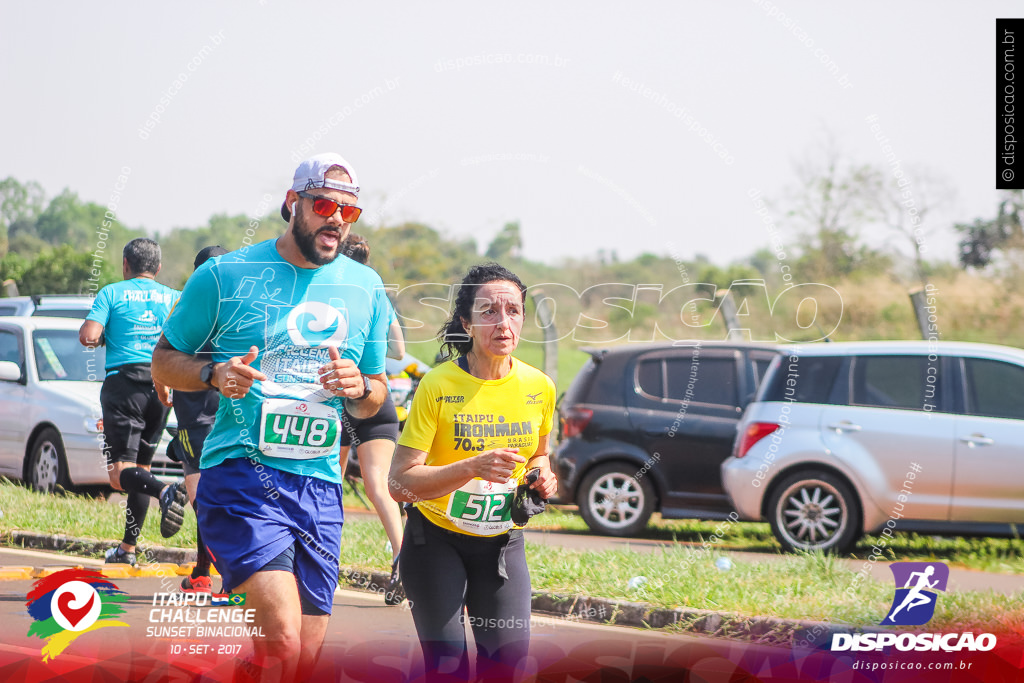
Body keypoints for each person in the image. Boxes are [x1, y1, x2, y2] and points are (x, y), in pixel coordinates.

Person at [151, 153, 390, 683]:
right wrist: (214, 374)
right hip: (241, 477)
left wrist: (360, 389)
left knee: (300, 656)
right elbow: (163, 360)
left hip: (320, 484)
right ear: (293, 204)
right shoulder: (225, 274)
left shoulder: (365, 287)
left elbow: (375, 395)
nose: (336, 220)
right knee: (281, 638)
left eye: (348, 213)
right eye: (325, 205)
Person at [389, 263, 558, 681]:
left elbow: (540, 454)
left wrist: (542, 477)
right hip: (435, 543)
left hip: (502, 543)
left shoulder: (539, 387)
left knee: (508, 667)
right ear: (466, 322)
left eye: (513, 311)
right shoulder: (438, 385)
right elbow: (398, 483)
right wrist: (471, 468)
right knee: (449, 669)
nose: (503, 323)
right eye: (489, 311)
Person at [79, 238, 185, 566]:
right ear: (158, 267)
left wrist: (102, 335)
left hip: (123, 386)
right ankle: (127, 549)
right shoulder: (174, 297)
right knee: (141, 468)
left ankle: (165, 492)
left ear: (126, 264)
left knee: (119, 474)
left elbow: (89, 335)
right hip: (162, 387)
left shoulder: (112, 292)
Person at [337, 233, 406, 605]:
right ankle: (401, 556)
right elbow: (400, 349)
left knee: (327, 484)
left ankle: (320, 561)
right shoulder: (376, 292)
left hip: (341, 397)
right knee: (378, 485)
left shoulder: (333, 296)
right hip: (377, 395)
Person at [167, 245, 229, 594]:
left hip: (196, 413)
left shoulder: (188, 305)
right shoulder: (241, 306)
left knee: (203, 500)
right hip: (231, 412)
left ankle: (218, 575)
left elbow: (164, 353)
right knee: (226, 495)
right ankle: (204, 571)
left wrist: (163, 386)